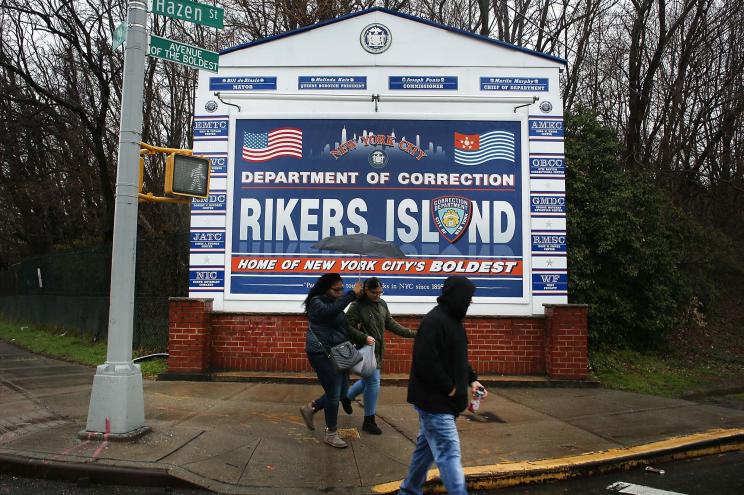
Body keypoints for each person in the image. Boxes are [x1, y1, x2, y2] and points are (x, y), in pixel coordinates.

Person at [398, 276, 487, 495]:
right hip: (435, 403)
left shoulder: (454, 322)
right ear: (458, 297)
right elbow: (425, 361)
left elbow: (457, 359)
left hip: (444, 403)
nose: (471, 302)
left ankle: (408, 490)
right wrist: (450, 387)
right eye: (468, 298)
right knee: (449, 454)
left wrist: (472, 380)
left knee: (425, 451)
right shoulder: (434, 322)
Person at [345, 277, 416, 435]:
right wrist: (363, 337)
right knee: (374, 382)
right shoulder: (356, 306)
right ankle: (369, 420)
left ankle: (347, 397)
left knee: (367, 382)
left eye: (380, 292)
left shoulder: (382, 304)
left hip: (377, 351)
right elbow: (346, 327)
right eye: (374, 293)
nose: (378, 295)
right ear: (365, 290)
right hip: (364, 350)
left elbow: (391, 324)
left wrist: (413, 334)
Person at [299, 273, 362, 448]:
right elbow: (329, 312)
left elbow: (339, 324)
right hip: (321, 353)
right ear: (325, 288)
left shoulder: (335, 302)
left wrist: (357, 333)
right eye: (337, 290)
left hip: (339, 351)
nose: (341, 292)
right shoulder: (316, 302)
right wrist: (352, 294)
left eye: (342, 289)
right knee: (334, 393)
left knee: (343, 392)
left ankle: (311, 407)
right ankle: (331, 433)